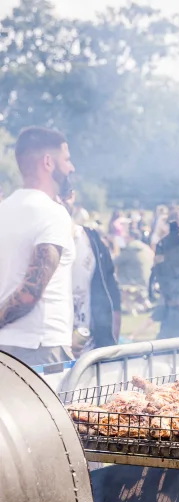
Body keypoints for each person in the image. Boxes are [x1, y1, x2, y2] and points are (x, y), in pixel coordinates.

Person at [0, 127, 76, 366]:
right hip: (40, 348)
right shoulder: (53, 214)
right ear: (48, 162)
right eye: (66, 159)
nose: (71, 167)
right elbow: (29, 293)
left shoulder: (4, 210)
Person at [61, 192, 121, 353]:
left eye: (63, 197)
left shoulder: (91, 241)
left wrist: (111, 344)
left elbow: (112, 293)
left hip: (89, 345)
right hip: (51, 346)